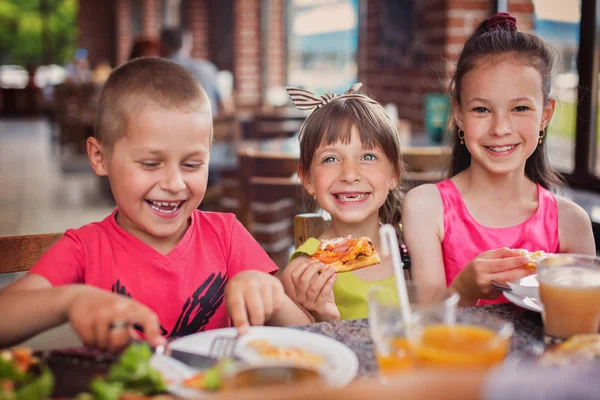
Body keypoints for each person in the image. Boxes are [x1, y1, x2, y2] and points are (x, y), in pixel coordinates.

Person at [0, 58, 309, 352]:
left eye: (191, 164)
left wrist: (273, 297)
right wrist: (69, 301)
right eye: (150, 164)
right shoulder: (84, 248)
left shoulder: (226, 235)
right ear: (99, 157)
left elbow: (307, 334)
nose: (174, 183)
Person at [402, 12, 596, 307]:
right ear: (459, 115)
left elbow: (582, 327)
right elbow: (426, 323)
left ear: (545, 115)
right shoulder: (426, 207)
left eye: (519, 109)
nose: (500, 129)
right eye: (481, 110)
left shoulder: (571, 222)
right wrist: (465, 288)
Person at [280, 83, 405, 322]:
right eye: (330, 159)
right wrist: (323, 317)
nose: (349, 174)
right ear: (307, 179)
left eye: (368, 157)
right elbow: (306, 353)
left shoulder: (415, 248)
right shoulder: (302, 273)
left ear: (393, 175)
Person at [160, 28, 227, 116]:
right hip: (210, 125)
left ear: (162, 45)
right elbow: (223, 106)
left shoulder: (159, 70)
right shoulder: (208, 67)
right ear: (188, 44)